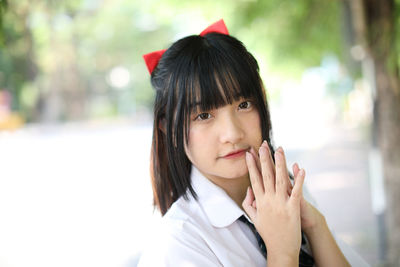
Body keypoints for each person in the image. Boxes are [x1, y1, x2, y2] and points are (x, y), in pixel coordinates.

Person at [138, 19, 368, 267]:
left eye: (244, 105)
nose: (232, 134)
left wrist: (316, 226)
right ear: (168, 129)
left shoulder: (283, 190)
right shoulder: (177, 244)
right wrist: (282, 252)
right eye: (203, 115)